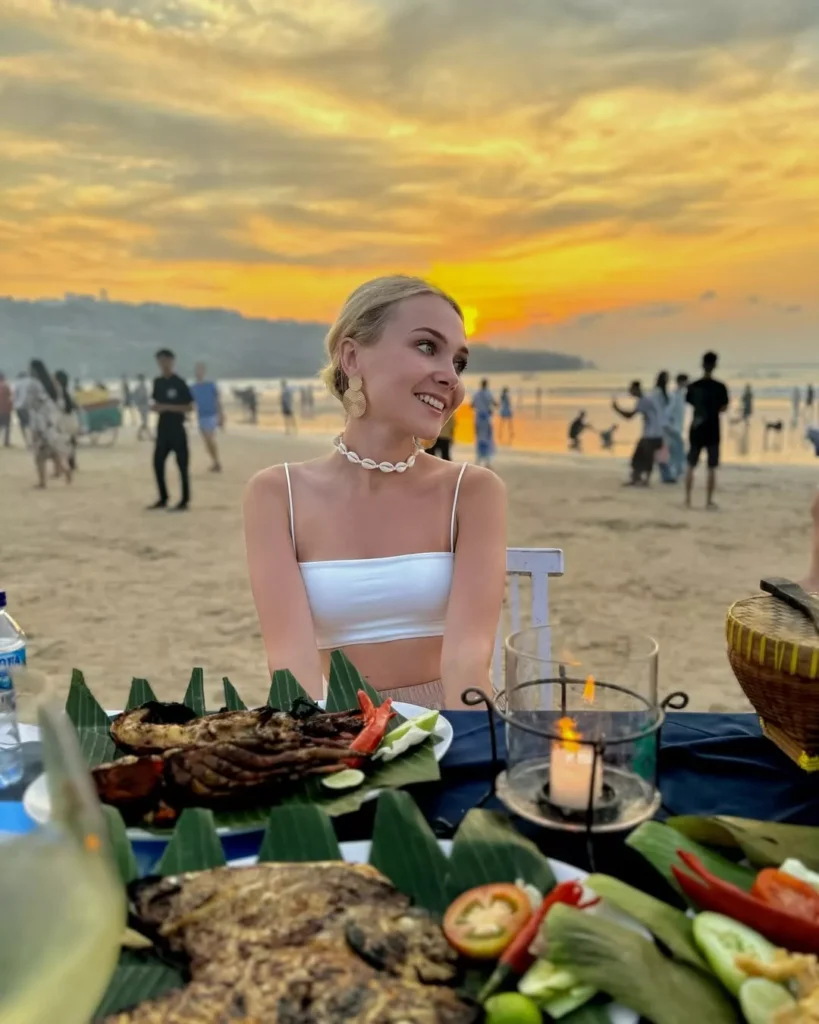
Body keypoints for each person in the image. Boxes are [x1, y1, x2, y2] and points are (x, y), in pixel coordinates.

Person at [243, 275, 506, 711]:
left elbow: (467, 665)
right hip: (336, 725)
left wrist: (470, 751)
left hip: (448, 721)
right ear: (351, 357)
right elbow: (292, 669)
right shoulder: (276, 494)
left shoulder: (473, 491)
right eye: (427, 347)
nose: (450, 378)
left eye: (458, 362)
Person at [685, 351, 729, 510]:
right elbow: (724, 407)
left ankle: (688, 499)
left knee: (691, 463)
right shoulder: (720, 387)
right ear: (715, 365)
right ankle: (708, 500)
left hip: (696, 426)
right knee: (711, 466)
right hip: (713, 428)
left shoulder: (694, 386)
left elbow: (689, 402)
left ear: (702, 364)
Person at [150, 349, 193, 511]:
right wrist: (156, 408)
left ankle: (184, 500)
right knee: (157, 462)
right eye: (160, 361)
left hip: (177, 428)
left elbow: (189, 407)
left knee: (182, 464)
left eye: (165, 361)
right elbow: (155, 403)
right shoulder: (157, 382)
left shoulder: (179, 383)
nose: (162, 364)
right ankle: (163, 497)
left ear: (172, 361)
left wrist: (168, 407)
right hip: (162, 428)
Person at [23, 359, 72, 488]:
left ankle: (42, 482)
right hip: (52, 420)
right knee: (54, 449)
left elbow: (27, 402)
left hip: (39, 422)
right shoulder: (52, 383)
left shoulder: (32, 384)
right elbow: (60, 402)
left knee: (39, 454)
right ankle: (65, 468)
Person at [613, 380, 664, 485]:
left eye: (631, 390)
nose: (630, 393)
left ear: (636, 389)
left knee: (644, 457)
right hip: (655, 433)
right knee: (640, 457)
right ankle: (638, 478)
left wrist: (617, 408)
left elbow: (629, 416)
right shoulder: (648, 398)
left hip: (651, 435)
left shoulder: (643, 401)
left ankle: (643, 480)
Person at [190, 362, 223, 472]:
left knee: (210, 439)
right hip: (201, 416)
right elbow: (191, 402)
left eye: (201, 370)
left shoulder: (210, 385)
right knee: (207, 442)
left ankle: (217, 462)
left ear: (204, 372)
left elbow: (217, 400)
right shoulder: (193, 387)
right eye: (197, 370)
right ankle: (215, 462)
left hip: (211, 415)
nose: (199, 372)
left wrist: (221, 414)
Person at [54, 370, 80, 472]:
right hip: (72, 419)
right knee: (71, 443)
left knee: (61, 444)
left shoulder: (57, 393)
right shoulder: (69, 392)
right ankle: (72, 463)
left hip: (62, 421)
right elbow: (75, 405)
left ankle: (62, 466)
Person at [666, 374, 689, 481]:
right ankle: (675, 471)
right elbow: (669, 411)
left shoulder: (682, 394)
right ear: (680, 382)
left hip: (678, 426)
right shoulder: (674, 395)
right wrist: (669, 424)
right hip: (673, 427)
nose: (687, 384)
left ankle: (677, 470)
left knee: (676, 449)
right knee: (677, 449)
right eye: (685, 382)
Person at [472, 378, 496, 467]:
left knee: (479, 438)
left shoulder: (477, 394)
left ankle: (478, 459)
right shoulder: (488, 393)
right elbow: (494, 403)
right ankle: (487, 461)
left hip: (478, 419)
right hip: (486, 419)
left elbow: (472, 404)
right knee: (487, 439)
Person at [13, 371, 31, 447]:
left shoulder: (16, 384)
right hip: (29, 407)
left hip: (19, 407)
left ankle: (26, 441)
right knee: (31, 424)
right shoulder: (30, 384)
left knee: (22, 424)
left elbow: (14, 396)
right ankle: (32, 440)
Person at [133, 373, 151, 441]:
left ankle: (141, 435)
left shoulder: (140, 387)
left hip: (142, 405)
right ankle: (145, 435)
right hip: (143, 405)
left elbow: (135, 395)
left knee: (145, 421)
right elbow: (144, 397)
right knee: (145, 421)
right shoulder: (142, 387)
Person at [0, 372, 12, 448]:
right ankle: (6, 442)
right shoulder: (6, 386)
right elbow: (10, 397)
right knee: (6, 427)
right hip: (5, 409)